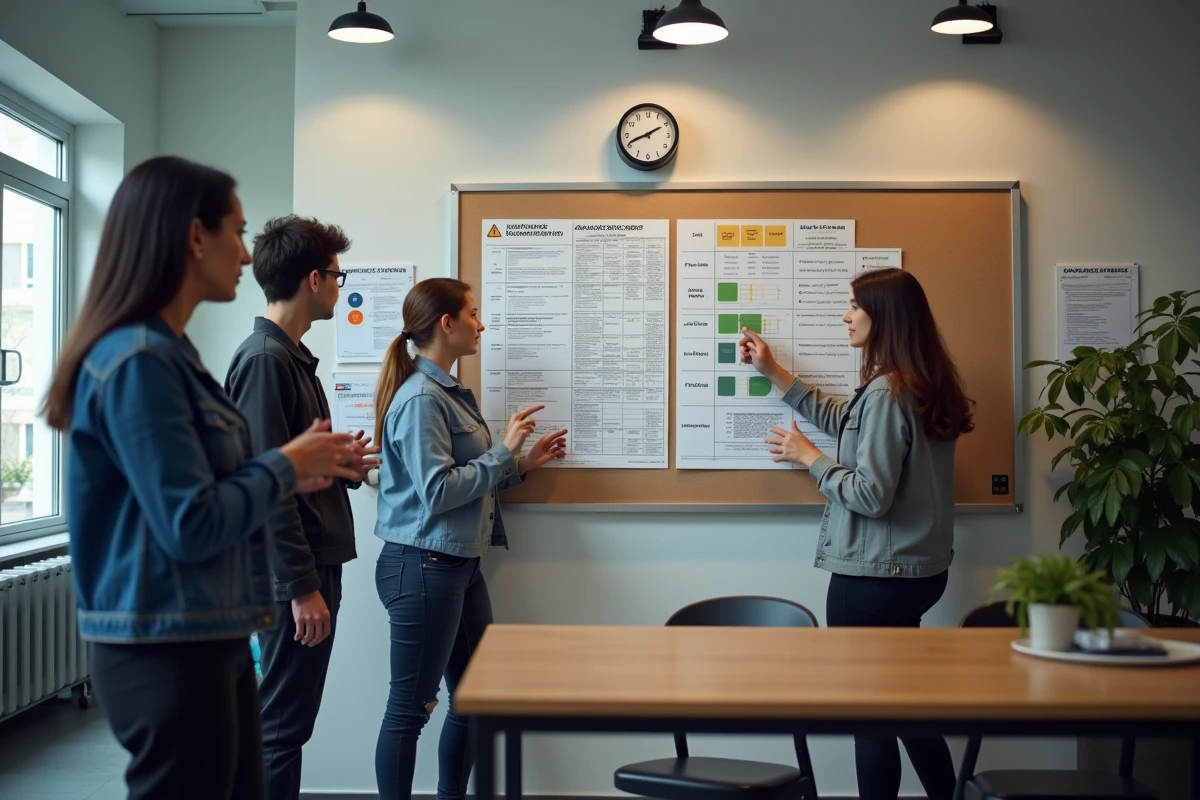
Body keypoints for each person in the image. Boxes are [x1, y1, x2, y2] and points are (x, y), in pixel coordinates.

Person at [40, 156, 367, 800]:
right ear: (195, 238)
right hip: (167, 647)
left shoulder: (170, 354)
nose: (248, 258)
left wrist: (299, 470)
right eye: (237, 233)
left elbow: (206, 488)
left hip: (202, 633)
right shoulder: (139, 361)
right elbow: (190, 522)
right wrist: (285, 466)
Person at [738, 267, 974, 800]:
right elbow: (849, 420)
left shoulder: (889, 392)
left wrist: (811, 459)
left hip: (872, 580)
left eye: (854, 306)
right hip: (916, 573)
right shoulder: (915, 384)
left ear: (884, 317)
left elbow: (870, 494)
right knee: (906, 708)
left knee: (870, 718)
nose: (846, 315)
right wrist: (776, 372)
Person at [371, 277, 567, 800]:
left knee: (474, 697)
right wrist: (503, 451)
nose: (482, 325)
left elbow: (464, 480)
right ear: (446, 324)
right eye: (474, 314)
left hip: (458, 564)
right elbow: (437, 492)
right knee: (409, 710)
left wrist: (523, 464)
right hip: (422, 567)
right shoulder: (420, 400)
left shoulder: (448, 393)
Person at [225, 215, 379, 800]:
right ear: (315, 279)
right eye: (338, 276)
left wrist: (339, 466)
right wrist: (300, 588)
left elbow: (285, 467)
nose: (341, 287)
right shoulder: (267, 360)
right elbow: (264, 487)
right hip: (293, 577)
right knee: (279, 729)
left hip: (307, 568)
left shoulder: (289, 357)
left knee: (286, 726)